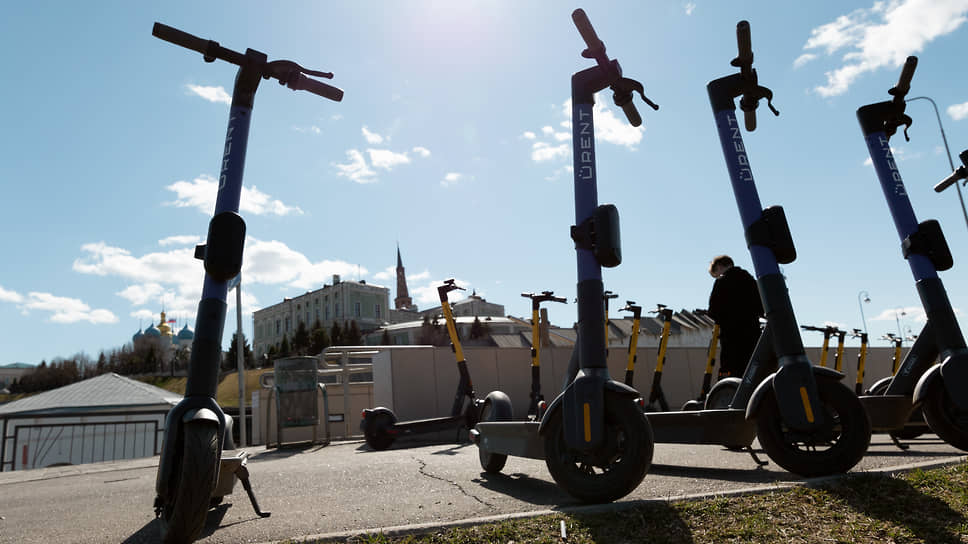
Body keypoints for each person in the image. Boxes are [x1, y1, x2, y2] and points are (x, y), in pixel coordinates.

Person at [706, 255, 764, 378]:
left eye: (716, 274)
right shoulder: (750, 280)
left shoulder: (722, 281)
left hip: (731, 337)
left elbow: (713, 311)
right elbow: (761, 307)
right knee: (751, 372)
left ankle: (726, 388)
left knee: (728, 372)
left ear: (719, 267)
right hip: (752, 334)